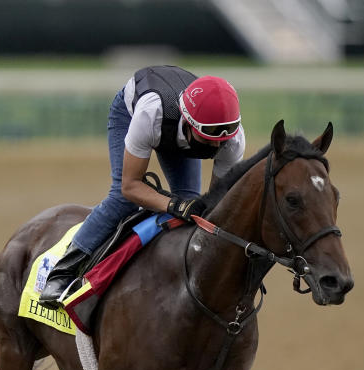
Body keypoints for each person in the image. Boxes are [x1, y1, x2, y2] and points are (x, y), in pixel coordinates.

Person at [38, 65, 246, 307]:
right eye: (208, 138)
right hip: (132, 112)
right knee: (122, 200)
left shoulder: (232, 139)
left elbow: (217, 206)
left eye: (222, 139)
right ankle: (61, 273)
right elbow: (131, 186)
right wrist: (173, 204)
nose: (215, 148)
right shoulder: (152, 113)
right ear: (189, 124)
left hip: (176, 123)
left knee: (193, 208)